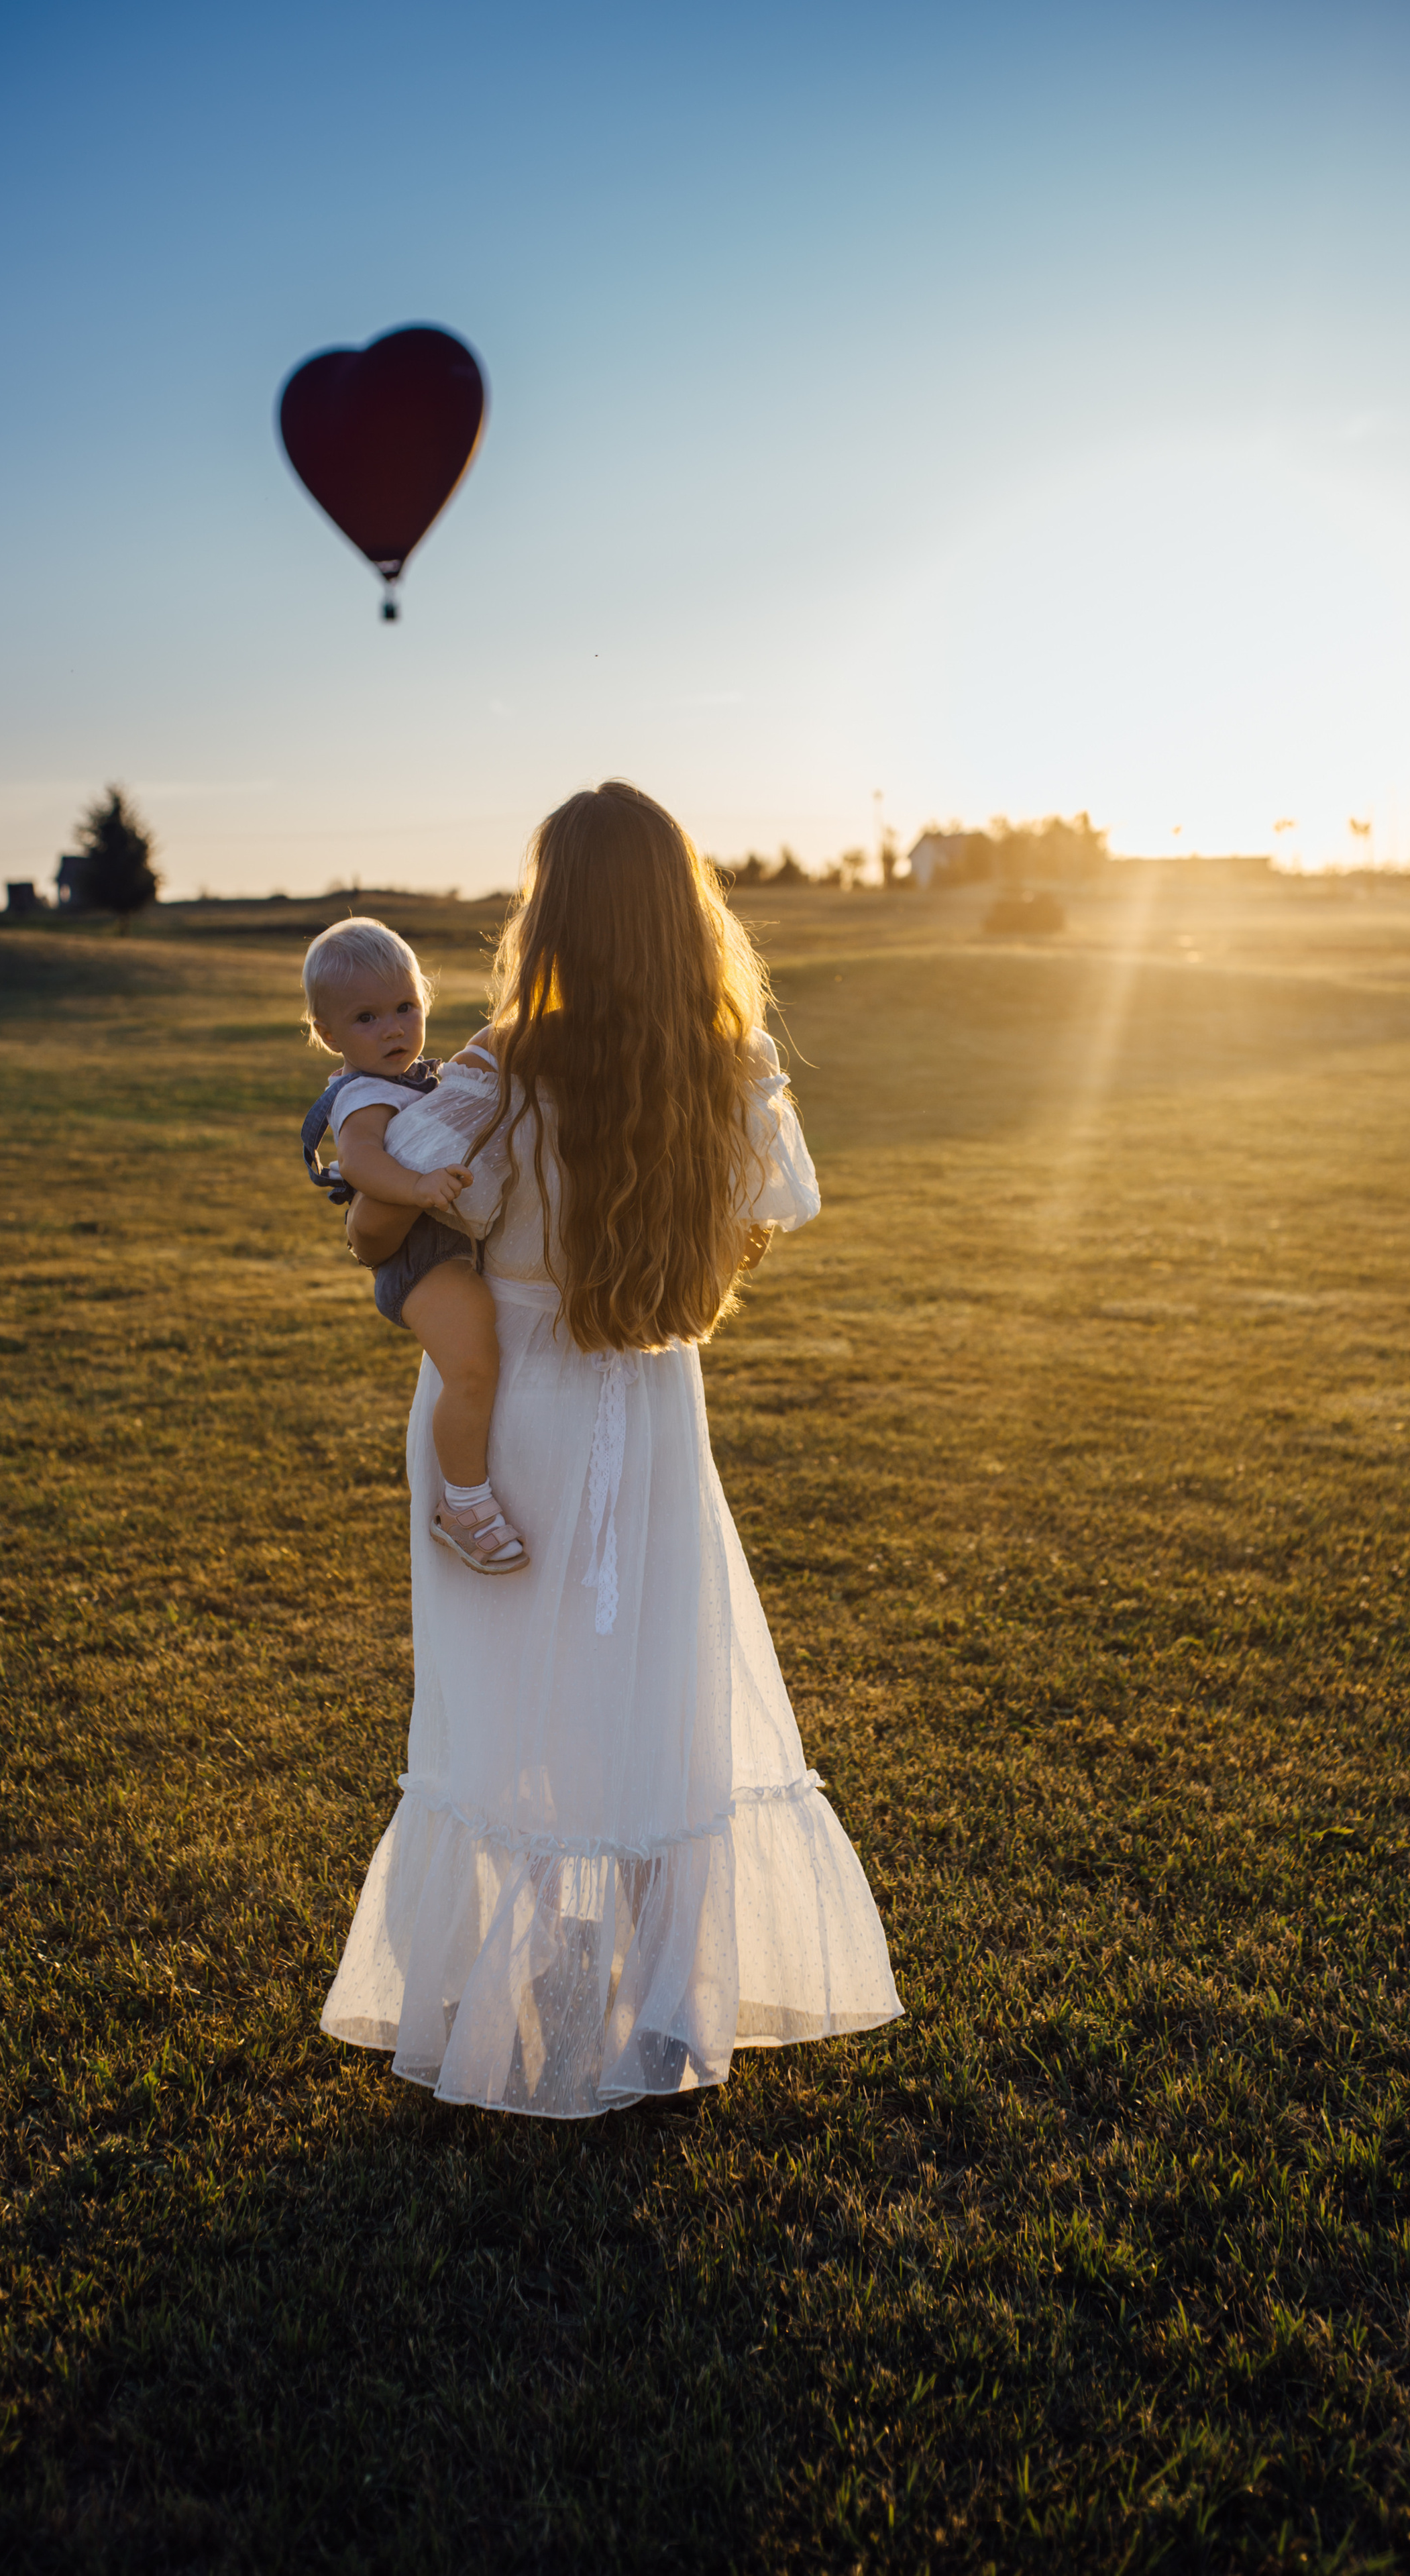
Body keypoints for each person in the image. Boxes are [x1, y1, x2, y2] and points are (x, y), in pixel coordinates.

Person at [320, 782, 902, 2116]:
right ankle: (652, 2001)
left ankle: (498, 1992)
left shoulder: (502, 1060)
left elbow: (380, 1189)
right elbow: (778, 1209)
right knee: (647, 1690)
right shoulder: (732, 1059)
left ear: (555, 914)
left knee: (501, 1696)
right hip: (646, 1396)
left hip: (515, 1388)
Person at [299, 918, 527, 1570]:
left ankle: (469, 1493)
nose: (394, 1028)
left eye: (405, 1006)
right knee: (474, 1362)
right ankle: (463, 1504)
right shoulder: (361, 1096)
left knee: (482, 1355)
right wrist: (417, 1184)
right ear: (328, 1034)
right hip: (419, 1261)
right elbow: (362, 1162)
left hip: (442, 1247)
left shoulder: (413, 1077)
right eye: (367, 1018)